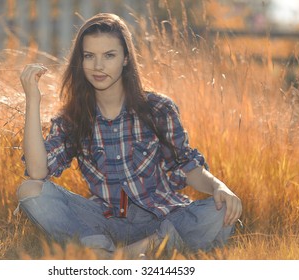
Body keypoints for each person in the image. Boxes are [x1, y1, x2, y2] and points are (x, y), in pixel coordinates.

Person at [17, 13, 242, 258]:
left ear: (126, 58)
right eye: (89, 56)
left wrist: (220, 187)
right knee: (29, 191)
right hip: (106, 220)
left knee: (219, 211)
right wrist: (32, 100)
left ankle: (114, 255)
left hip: (161, 217)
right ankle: (134, 249)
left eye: (109, 55)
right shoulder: (74, 118)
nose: (98, 66)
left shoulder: (157, 109)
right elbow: (38, 172)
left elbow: (188, 167)